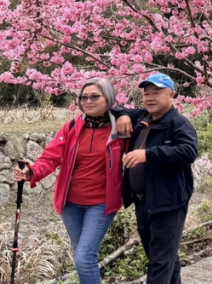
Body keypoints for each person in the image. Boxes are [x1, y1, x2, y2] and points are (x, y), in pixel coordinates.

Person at [12, 78, 128, 284]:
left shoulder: (120, 130)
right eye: (84, 97)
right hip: (70, 203)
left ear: (108, 98)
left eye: (95, 96)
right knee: (82, 254)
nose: (88, 101)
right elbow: (51, 157)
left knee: (84, 257)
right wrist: (32, 172)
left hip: (102, 202)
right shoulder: (72, 126)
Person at [117, 73, 198, 284]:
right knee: (162, 257)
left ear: (172, 95)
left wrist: (148, 154)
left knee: (159, 263)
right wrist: (123, 115)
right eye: (146, 93)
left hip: (168, 203)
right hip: (144, 201)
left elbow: (188, 151)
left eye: (157, 93)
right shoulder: (142, 116)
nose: (150, 97)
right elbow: (117, 108)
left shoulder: (178, 123)